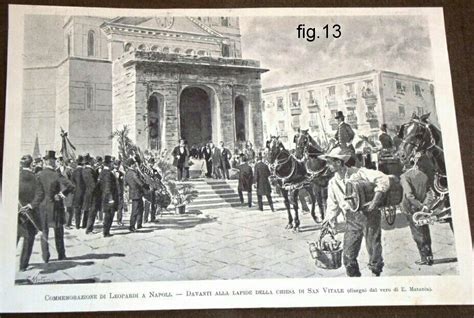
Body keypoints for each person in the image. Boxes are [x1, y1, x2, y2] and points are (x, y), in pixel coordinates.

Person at [320, 147, 390, 277]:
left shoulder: (358, 173)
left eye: (330, 162)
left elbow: (383, 178)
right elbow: (332, 205)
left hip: (369, 215)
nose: (328, 166)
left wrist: (376, 199)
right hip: (351, 218)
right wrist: (327, 222)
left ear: (339, 162)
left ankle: (376, 275)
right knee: (348, 256)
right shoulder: (333, 183)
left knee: (374, 251)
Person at [36, 150, 75, 263]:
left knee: (44, 232)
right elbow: (71, 186)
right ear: (52, 161)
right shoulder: (56, 174)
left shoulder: (39, 175)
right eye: (54, 160)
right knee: (58, 232)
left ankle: (45, 257)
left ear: (45, 161)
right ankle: (61, 255)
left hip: (43, 207)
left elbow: (38, 193)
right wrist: (62, 194)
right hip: (55, 206)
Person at [400, 156, 435, 265]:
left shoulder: (404, 176)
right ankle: (429, 256)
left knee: (417, 234)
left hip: (412, 209)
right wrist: (425, 206)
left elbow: (409, 195)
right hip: (423, 209)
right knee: (425, 230)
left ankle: (424, 258)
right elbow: (430, 193)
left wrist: (418, 206)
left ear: (406, 165)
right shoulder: (424, 175)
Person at [17, 155, 43, 271]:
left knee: (13, 238)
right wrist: (30, 205)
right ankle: (23, 266)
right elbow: (40, 194)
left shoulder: (15, 176)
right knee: (29, 239)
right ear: (31, 164)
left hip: (16, 212)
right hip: (30, 213)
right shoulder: (35, 177)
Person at [98, 155, 118, 237]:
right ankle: (106, 232)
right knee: (109, 214)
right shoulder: (107, 173)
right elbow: (107, 187)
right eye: (112, 163)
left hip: (104, 196)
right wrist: (110, 198)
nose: (113, 164)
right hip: (109, 197)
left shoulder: (103, 172)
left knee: (108, 214)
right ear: (109, 163)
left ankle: (106, 231)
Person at [124, 157, 147, 232]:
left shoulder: (127, 173)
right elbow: (139, 182)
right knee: (136, 210)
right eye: (134, 163)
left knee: (139, 208)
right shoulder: (133, 173)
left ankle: (139, 224)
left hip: (133, 193)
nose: (135, 164)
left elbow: (125, 183)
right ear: (131, 164)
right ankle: (132, 226)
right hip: (137, 193)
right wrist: (145, 185)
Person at [82, 154, 98, 234]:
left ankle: (87, 226)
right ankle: (89, 229)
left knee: (88, 210)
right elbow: (92, 184)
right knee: (92, 211)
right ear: (89, 161)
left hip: (87, 193)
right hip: (92, 194)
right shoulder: (90, 171)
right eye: (92, 160)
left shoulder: (84, 170)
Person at [57, 157, 74, 229]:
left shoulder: (69, 170)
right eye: (71, 162)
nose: (73, 163)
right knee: (67, 207)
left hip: (69, 191)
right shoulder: (67, 171)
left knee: (70, 207)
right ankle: (66, 224)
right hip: (66, 191)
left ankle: (69, 222)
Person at [71, 155, 86, 229]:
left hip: (76, 193)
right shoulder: (84, 171)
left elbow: (72, 183)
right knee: (85, 208)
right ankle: (84, 225)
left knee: (77, 209)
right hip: (84, 192)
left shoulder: (74, 172)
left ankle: (77, 225)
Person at [113, 159, 125, 226]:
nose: (117, 166)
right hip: (113, 193)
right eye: (116, 165)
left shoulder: (121, 173)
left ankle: (119, 220)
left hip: (120, 192)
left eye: (118, 165)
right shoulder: (111, 173)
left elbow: (122, 183)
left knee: (120, 207)